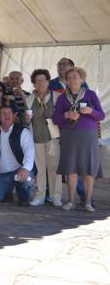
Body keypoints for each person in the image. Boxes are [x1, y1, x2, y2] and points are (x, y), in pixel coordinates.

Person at [52, 67, 105, 212]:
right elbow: (56, 119)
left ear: (82, 79)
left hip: (88, 136)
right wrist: (67, 115)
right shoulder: (62, 97)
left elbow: (102, 116)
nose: (72, 80)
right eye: (69, 78)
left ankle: (87, 202)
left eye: (75, 77)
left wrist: (91, 111)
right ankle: (71, 201)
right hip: (70, 136)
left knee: (89, 169)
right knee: (71, 169)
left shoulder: (90, 94)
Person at [25, 69, 61, 207]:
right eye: (37, 81)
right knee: (40, 169)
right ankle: (40, 196)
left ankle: (55, 197)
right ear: (34, 84)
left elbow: (61, 117)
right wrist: (27, 119)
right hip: (36, 138)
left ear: (48, 82)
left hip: (53, 138)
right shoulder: (29, 99)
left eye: (43, 80)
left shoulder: (57, 97)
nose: (40, 83)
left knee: (54, 169)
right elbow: (26, 122)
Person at [0, 106, 36, 205]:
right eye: (3, 113)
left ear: (14, 116)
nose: (6, 115)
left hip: (19, 171)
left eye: (9, 113)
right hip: (2, 174)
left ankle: (23, 195)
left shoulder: (23, 131)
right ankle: (8, 190)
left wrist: (25, 168)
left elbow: (29, 151)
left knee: (27, 179)